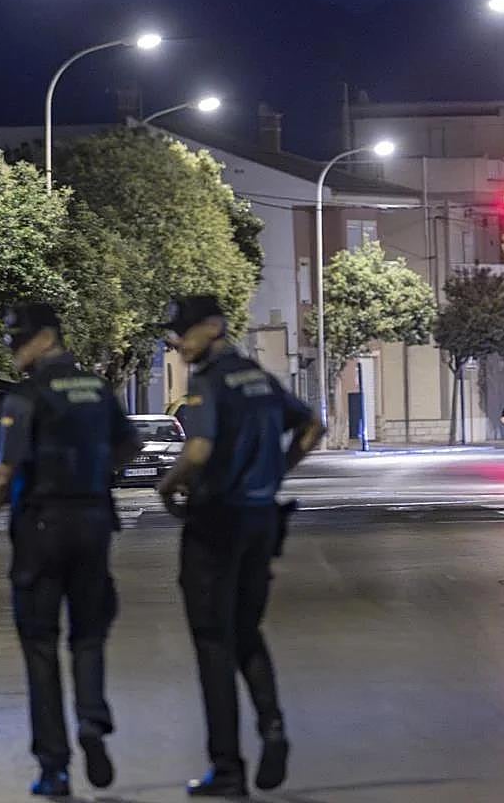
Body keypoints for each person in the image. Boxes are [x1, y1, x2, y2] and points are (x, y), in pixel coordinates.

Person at [0, 303, 143, 798]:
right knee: (88, 636)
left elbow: (5, 472)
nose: (14, 351)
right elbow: (128, 446)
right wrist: (94, 469)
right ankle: (92, 721)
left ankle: (54, 767)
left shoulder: (25, 396)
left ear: (46, 338)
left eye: (18, 340)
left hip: (41, 528)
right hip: (93, 522)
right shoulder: (96, 390)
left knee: (40, 647)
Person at [156, 295, 324, 797]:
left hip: (216, 522)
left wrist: (167, 486)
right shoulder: (259, 377)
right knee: (246, 630)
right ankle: (272, 726)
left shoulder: (209, 381)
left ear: (213, 328)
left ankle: (227, 769)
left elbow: (200, 448)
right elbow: (313, 426)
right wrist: (277, 470)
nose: (177, 341)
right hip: (261, 520)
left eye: (183, 331)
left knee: (212, 642)